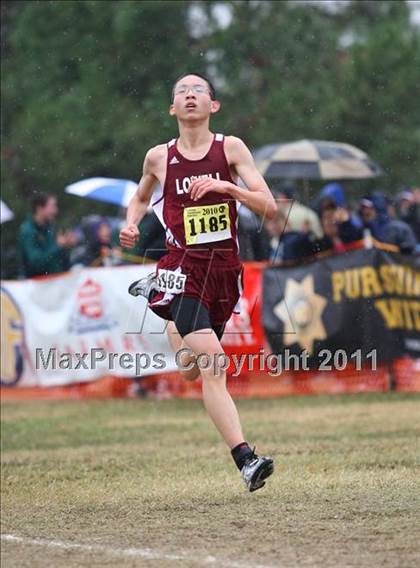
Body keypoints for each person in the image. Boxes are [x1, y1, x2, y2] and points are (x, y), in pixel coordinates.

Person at [120, 72, 277, 492]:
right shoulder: (159, 157)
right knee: (214, 363)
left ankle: (166, 311)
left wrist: (229, 187)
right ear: (172, 108)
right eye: (182, 92)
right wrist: (131, 224)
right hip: (182, 267)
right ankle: (246, 459)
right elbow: (138, 198)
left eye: (199, 91)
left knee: (191, 370)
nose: (190, 96)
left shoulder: (231, 149)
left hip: (225, 271)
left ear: (214, 106)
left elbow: (270, 208)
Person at [17, 192, 76, 278]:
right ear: (40, 208)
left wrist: (67, 246)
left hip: (54, 281)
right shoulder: (28, 231)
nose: (56, 210)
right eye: (52, 206)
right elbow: (36, 263)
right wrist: (58, 246)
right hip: (36, 285)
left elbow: (57, 260)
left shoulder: (50, 227)